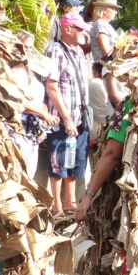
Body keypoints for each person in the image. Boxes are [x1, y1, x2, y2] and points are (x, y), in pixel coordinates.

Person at [44, 12, 91, 217]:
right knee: (58, 159)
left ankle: (70, 201)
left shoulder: (79, 52)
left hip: (79, 116)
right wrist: (66, 118)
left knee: (75, 159)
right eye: (79, 29)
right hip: (61, 118)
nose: (82, 33)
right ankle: (56, 205)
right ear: (68, 29)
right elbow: (52, 87)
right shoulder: (55, 50)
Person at [12, 30, 59, 177]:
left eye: (30, 47)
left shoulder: (32, 70)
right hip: (16, 129)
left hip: (33, 131)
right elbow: (18, 101)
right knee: (20, 174)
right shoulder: (10, 70)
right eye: (24, 47)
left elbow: (42, 99)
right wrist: (43, 113)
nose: (27, 51)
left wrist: (44, 112)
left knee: (30, 174)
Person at [90, 0, 123, 106]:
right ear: (104, 10)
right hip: (107, 67)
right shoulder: (99, 24)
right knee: (112, 101)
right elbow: (106, 51)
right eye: (113, 9)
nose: (115, 12)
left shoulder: (107, 25)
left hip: (112, 66)